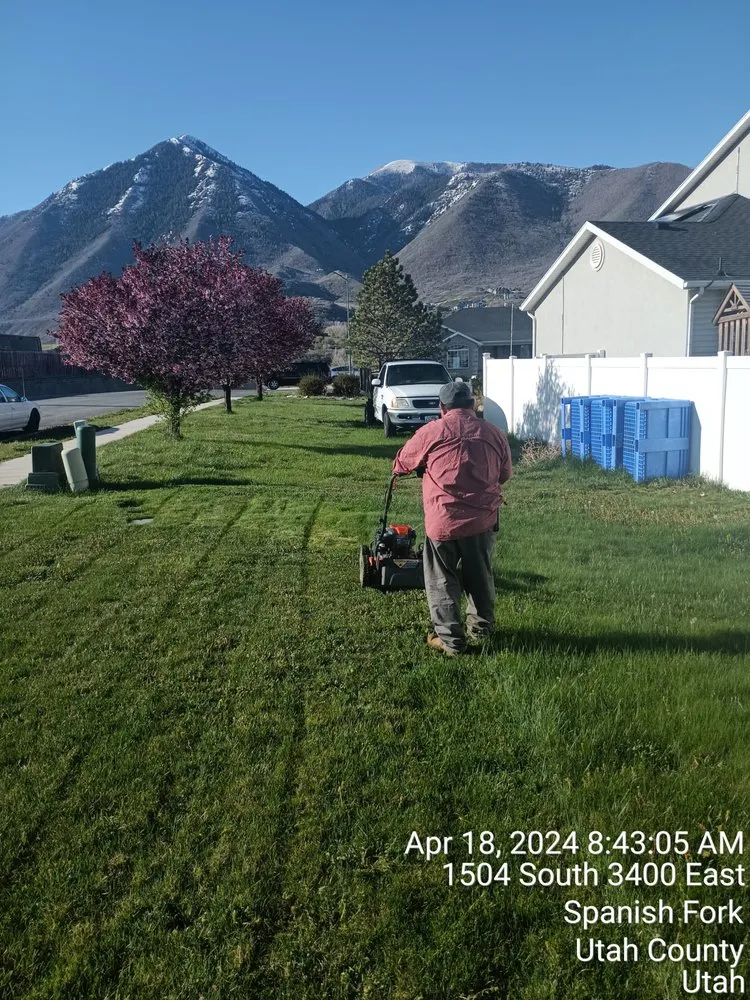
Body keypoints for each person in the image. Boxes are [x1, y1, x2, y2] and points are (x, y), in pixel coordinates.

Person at [392, 379, 513, 655]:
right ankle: (481, 628)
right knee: (480, 576)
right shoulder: (494, 433)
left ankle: (451, 641)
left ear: (441, 408)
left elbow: (401, 463)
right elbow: (504, 475)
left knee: (442, 580)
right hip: (483, 522)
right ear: (472, 405)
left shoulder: (431, 432)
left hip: (443, 521)